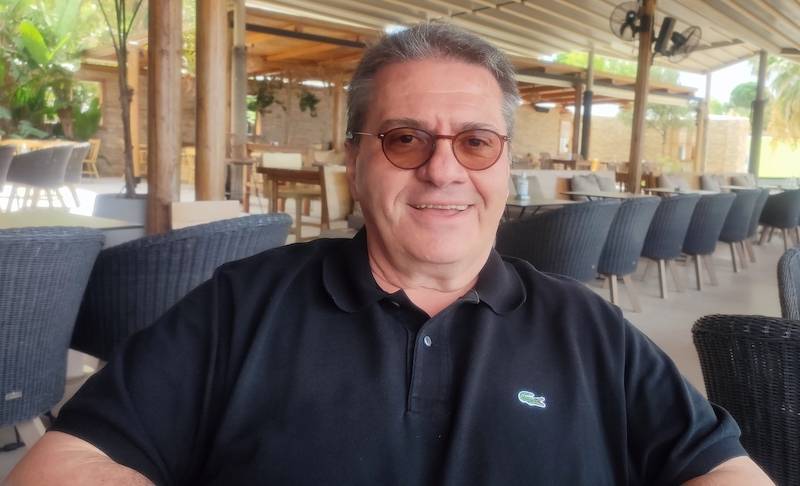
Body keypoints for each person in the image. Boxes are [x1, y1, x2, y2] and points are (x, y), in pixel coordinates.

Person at [7, 23, 772, 486]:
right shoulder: (241, 306)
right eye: (405, 138)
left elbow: (718, 465)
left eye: (476, 142)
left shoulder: (587, 327)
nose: (444, 170)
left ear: (505, 164)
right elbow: (66, 462)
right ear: (354, 159)